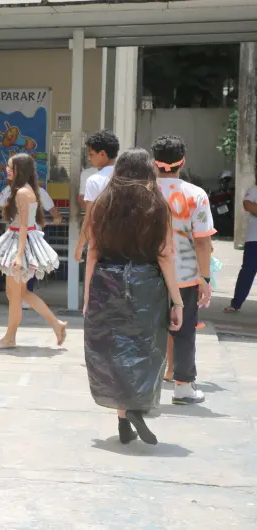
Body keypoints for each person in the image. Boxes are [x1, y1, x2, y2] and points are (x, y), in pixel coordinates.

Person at [84, 148, 184, 445]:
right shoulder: (158, 204)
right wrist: (177, 301)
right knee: (146, 350)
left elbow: (93, 252)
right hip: (147, 284)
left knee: (112, 350)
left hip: (106, 280)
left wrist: (89, 295)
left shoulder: (103, 202)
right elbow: (165, 256)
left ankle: (123, 419)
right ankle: (137, 407)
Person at [0, 153, 65, 349]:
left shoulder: (22, 192)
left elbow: (24, 225)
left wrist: (19, 255)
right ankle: (55, 324)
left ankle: (10, 337)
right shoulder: (22, 190)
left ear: (19, 170)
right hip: (19, 239)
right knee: (19, 293)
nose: (6, 170)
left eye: (10, 167)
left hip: (20, 241)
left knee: (16, 293)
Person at [153, 135, 213, 405]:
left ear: (154, 161)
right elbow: (202, 241)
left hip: (148, 273)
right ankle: (183, 387)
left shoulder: (143, 191)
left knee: (146, 329)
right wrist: (205, 277)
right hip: (185, 276)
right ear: (182, 161)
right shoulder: (196, 194)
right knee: (184, 331)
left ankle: (141, 386)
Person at [0, 170, 63, 307]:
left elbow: (53, 210)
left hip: (32, 235)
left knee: (29, 267)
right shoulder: (8, 191)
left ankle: (25, 298)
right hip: (13, 236)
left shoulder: (39, 192)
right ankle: (16, 298)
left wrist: (57, 217)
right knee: (12, 268)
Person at [74, 130, 120, 262]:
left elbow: (90, 217)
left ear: (103, 154)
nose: (89, 158)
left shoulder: (95, 180)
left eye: (91, 154)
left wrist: (80, 246)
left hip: (102, 242)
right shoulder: (128, 175)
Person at [224, 181, 257, 313]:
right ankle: (236, 303)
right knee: (247, 272)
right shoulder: (254, 189)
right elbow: (247, 204)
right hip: (254, 240)